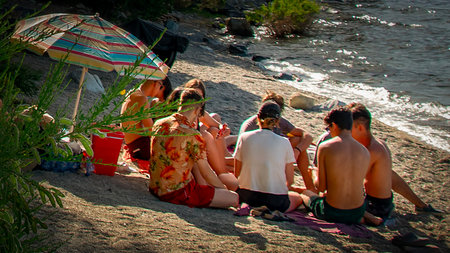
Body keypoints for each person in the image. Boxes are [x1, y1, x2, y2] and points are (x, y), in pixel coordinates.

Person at [149, 88, 238, 209]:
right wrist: (223, 189)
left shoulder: (159, 123)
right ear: (197, 110)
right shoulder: (192, 135)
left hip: (155, 186)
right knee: (233, 198)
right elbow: (206, 173)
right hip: (176, 192)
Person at [347, 103, 442, 215]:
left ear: (360, 128)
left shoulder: (370, 151)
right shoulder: (379, 143)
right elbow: (394, 179)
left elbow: (353, 183)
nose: (346, 132)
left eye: (348, 128)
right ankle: (421, 205)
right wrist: (420, 204)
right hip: (385, 203)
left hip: (375, 206)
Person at [300, 107, 371, 224]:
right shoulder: (364, 151)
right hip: (357, 212)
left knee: (306, 194)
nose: (329, 131)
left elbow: (321, 187)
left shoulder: (326, 147)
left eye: (329, 128)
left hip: (334, 211)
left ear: (334, 125)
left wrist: (314, 173)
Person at [238, 90, 315, 192]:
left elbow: (307, 136)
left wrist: (297, 150)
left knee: (297, 140)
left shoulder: (279, 123)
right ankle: (308, 190)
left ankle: (310, 187)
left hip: (251, 182)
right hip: (256, 160)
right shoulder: (250, 127)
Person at [234, 102, 302, 212]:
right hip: (275, 200)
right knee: (298, 198)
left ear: (257, 118)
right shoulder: (284, 142)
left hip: (246, 196)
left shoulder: (244, 137)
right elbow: (290, 180)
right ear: (278, 121)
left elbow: (237, 174)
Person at [120, 78, 171, 160]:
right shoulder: (142, 99)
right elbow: (152, 130)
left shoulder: (133, 92)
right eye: (160, 88)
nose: (157, 93)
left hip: (132, 144)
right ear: (156, 84)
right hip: (139, 146)